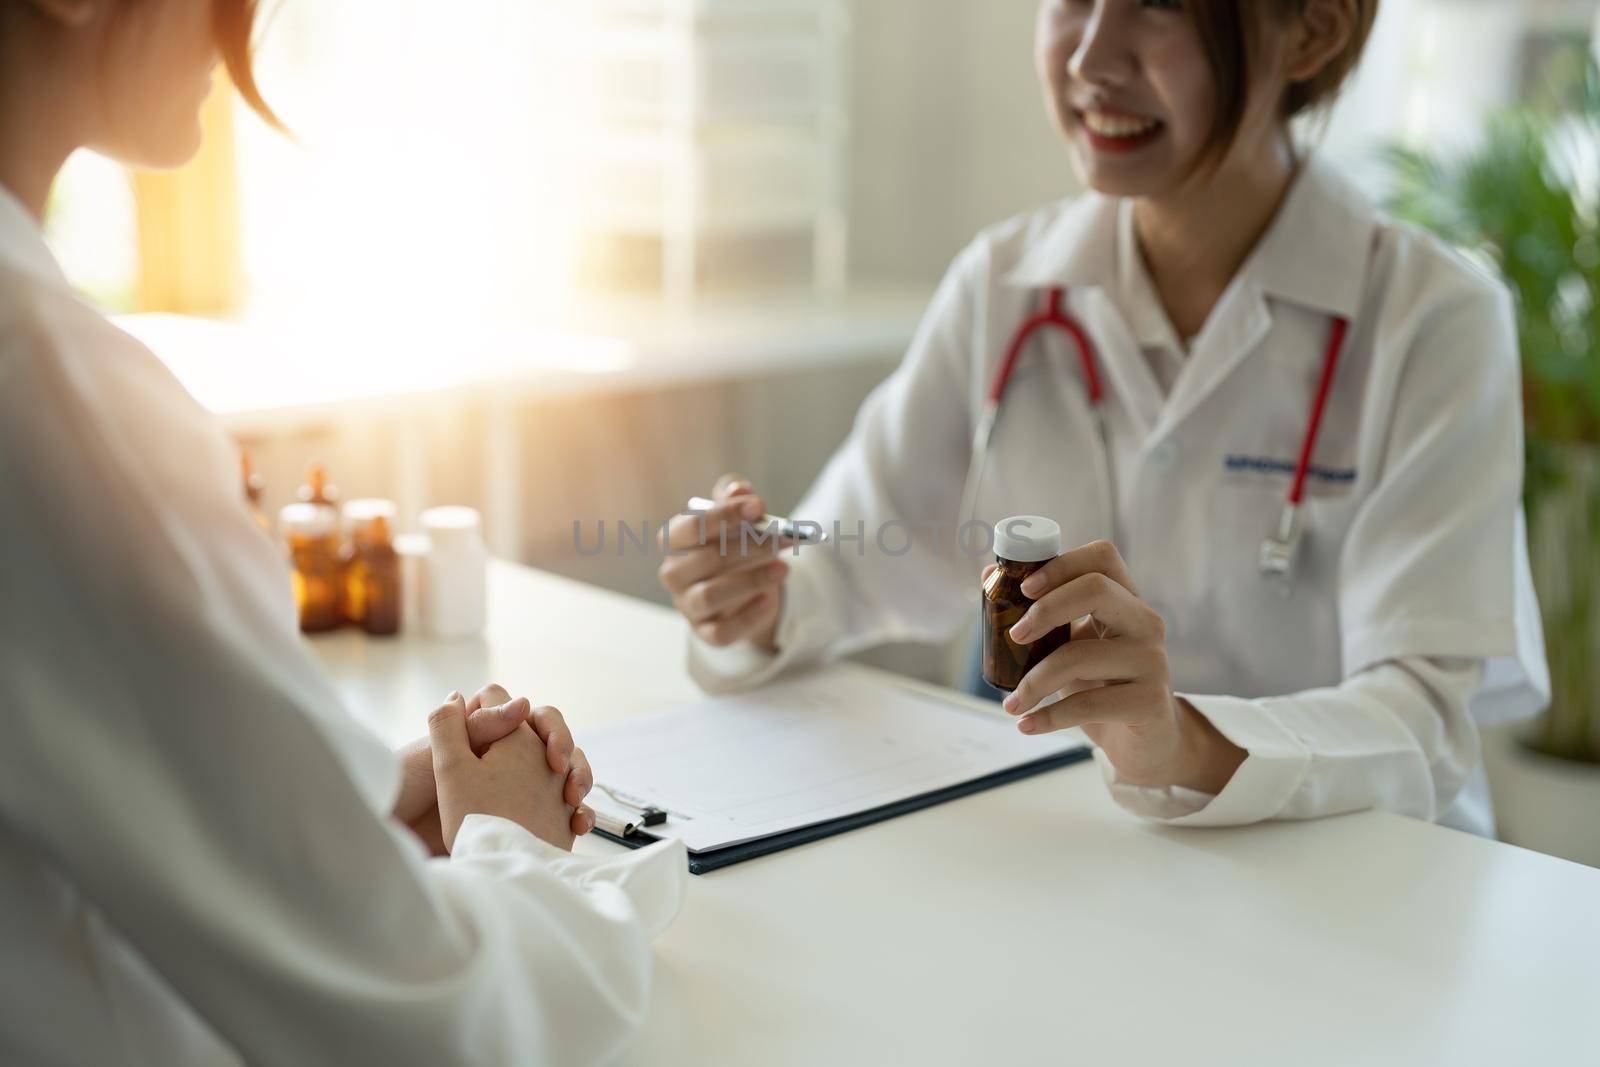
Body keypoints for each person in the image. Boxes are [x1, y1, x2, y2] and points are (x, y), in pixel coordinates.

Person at [660, 0, 1549, 835]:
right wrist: (753, 600)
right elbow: (843, 565)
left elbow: (1423, 722)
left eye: (1158, 3)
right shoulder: (1003, 286)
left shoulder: (1432, 319)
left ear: (1311, 31)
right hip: (1079, 877)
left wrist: (1175, 741)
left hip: (1367, 902)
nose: (1091, 57)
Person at [0, 1, 684, 1063]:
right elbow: (440, 1025)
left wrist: (348, 800)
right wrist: (517, 843)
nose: (253, 26)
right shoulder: (54, 399)